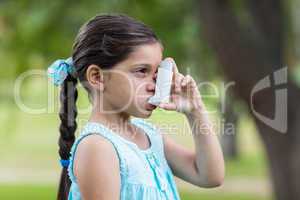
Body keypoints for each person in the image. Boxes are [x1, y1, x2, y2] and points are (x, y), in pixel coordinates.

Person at [47, 14, 225, 200]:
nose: (154, 84)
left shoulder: (150, 137)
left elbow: (210, 176)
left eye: (157, 74)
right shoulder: (98, 147)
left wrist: (195, 111)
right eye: (142, 71)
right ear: (98, 77)